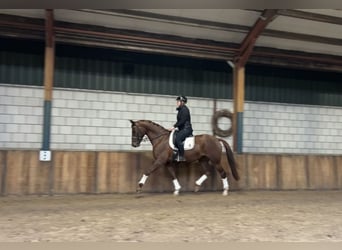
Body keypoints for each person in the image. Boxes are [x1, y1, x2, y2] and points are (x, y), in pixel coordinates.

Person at [168, 95, 193, 162]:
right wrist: (175, 127)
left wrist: (174, 126)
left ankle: (182, 156)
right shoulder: (181, 110)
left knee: (178, 138)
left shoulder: (185, 110)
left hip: (186, 129)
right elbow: (179, 121)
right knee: (174, 136)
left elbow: (182, 121)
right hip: (182, 129)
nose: (177, 103)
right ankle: (175, 152)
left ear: (182, 102)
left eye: (178, 101)